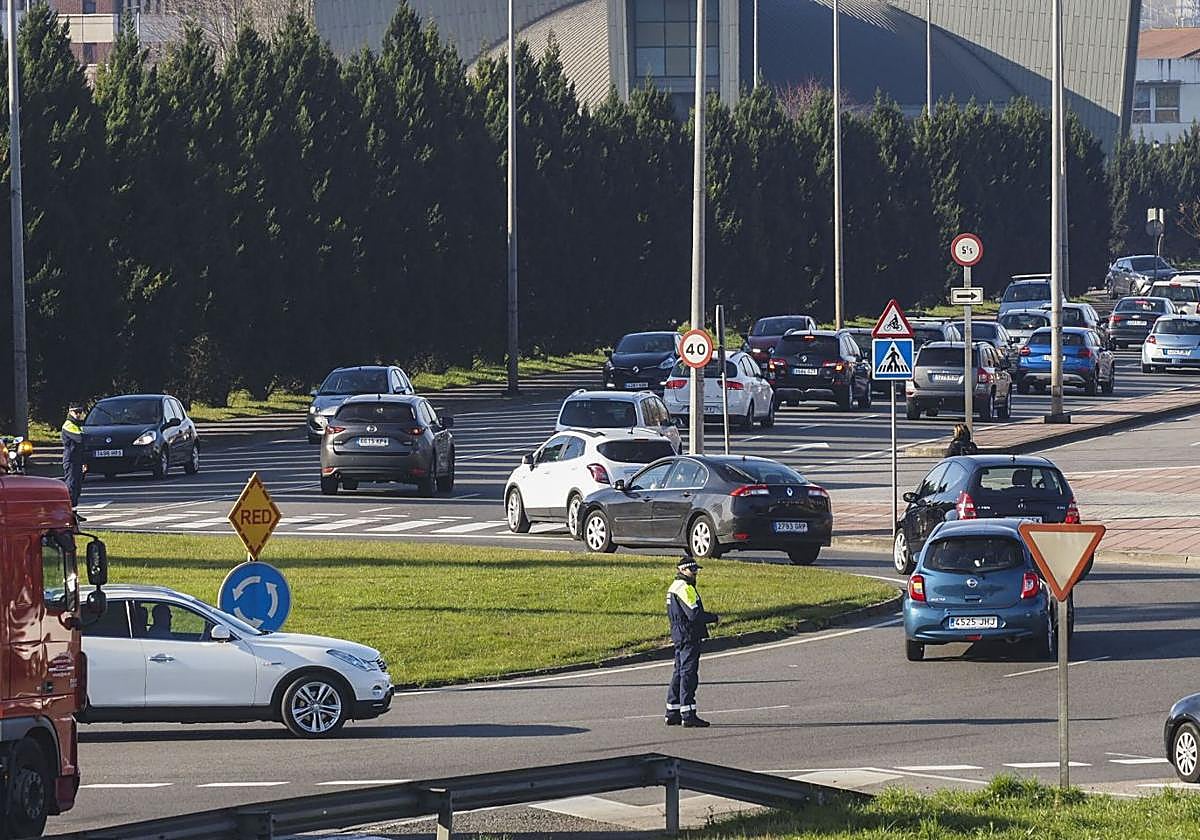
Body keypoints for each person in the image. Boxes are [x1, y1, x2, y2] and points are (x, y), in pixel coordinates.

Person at [665, 558, 719, 728]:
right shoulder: (685, 588)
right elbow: (694, 614)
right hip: (689, 635)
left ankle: (672, 712)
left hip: (679, 634)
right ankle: (688, 715)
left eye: (696, 570)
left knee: (679, 673)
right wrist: (714, 617)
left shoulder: (673, 586)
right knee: (688, 674)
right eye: (692, 570)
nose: (695, 573)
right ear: (682, 570)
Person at [61, 402, 87, 517]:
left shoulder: (77, 425)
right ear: (70, 412)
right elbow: (80, 438)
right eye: (76, 412)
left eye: (80, 412)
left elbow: (83, 445)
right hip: (71, 459)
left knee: (77, 487)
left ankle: (74, 512)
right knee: (71, 486)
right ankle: (68, 512)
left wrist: (84, 461)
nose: (78, 414)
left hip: (78, 459)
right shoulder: (68, 425)